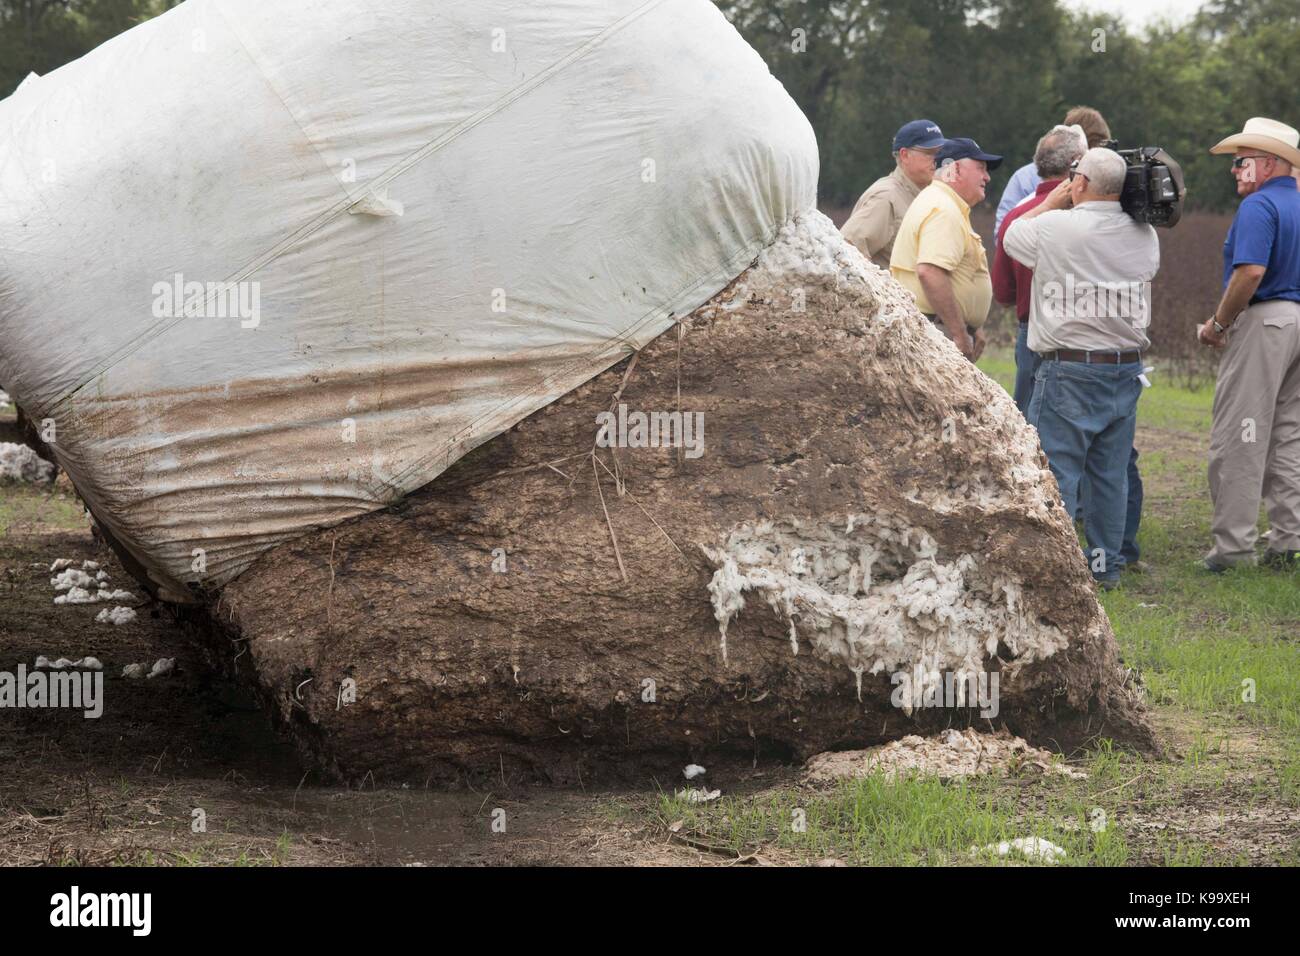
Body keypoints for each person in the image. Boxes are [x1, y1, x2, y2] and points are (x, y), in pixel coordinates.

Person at [1004, 148, 1159, 589]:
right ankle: (1103, 568)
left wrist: (1055, 199)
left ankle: (1054, 573)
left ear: (1082, 182)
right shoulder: (1146, 234)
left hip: (1069, 368)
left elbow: (1013, 237)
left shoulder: (1056, 226)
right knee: (1109, 475)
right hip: (1124, 368)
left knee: (1057, 470)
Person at [1197, 117, 1300, 572]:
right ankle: (1288, 542)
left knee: (1241, 433)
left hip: (1266, 323)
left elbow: (1251, 273)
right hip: (1297, 323)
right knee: (1288, 434)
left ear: (1270, 164)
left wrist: (1219, 323)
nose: (1235, 171)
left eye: (1242, 162)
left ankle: (1234, 550)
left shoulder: (1259, 207)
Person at [993, 124, 1088, 414]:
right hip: (1084, 334)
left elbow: (1003, 293)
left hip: (1031, 333)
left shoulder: (1016, 216)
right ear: (1075, 161)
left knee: (1028, 427)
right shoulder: (1091, 216)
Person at [890, 137, 1001, 360]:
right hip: (937, 332)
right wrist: (960, 332)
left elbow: (953, 274)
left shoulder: (941, 202)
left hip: (936, 328)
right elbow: (930, 272)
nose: (987, 177)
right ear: (956, 169)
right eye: (980, 168)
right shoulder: (943, 209)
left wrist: (971, 324)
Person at [841, 119, 946, 269]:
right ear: (904, 155)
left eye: (941, 152)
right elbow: (847, 251)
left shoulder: (930, 195)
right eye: (930, 153)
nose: (938, 159)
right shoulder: (886, 197)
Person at [994, 107, 1112, 236]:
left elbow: (1003, 234)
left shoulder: (1023, 179)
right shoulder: (1025, 179)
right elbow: (1003, 233)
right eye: (1089, 148)